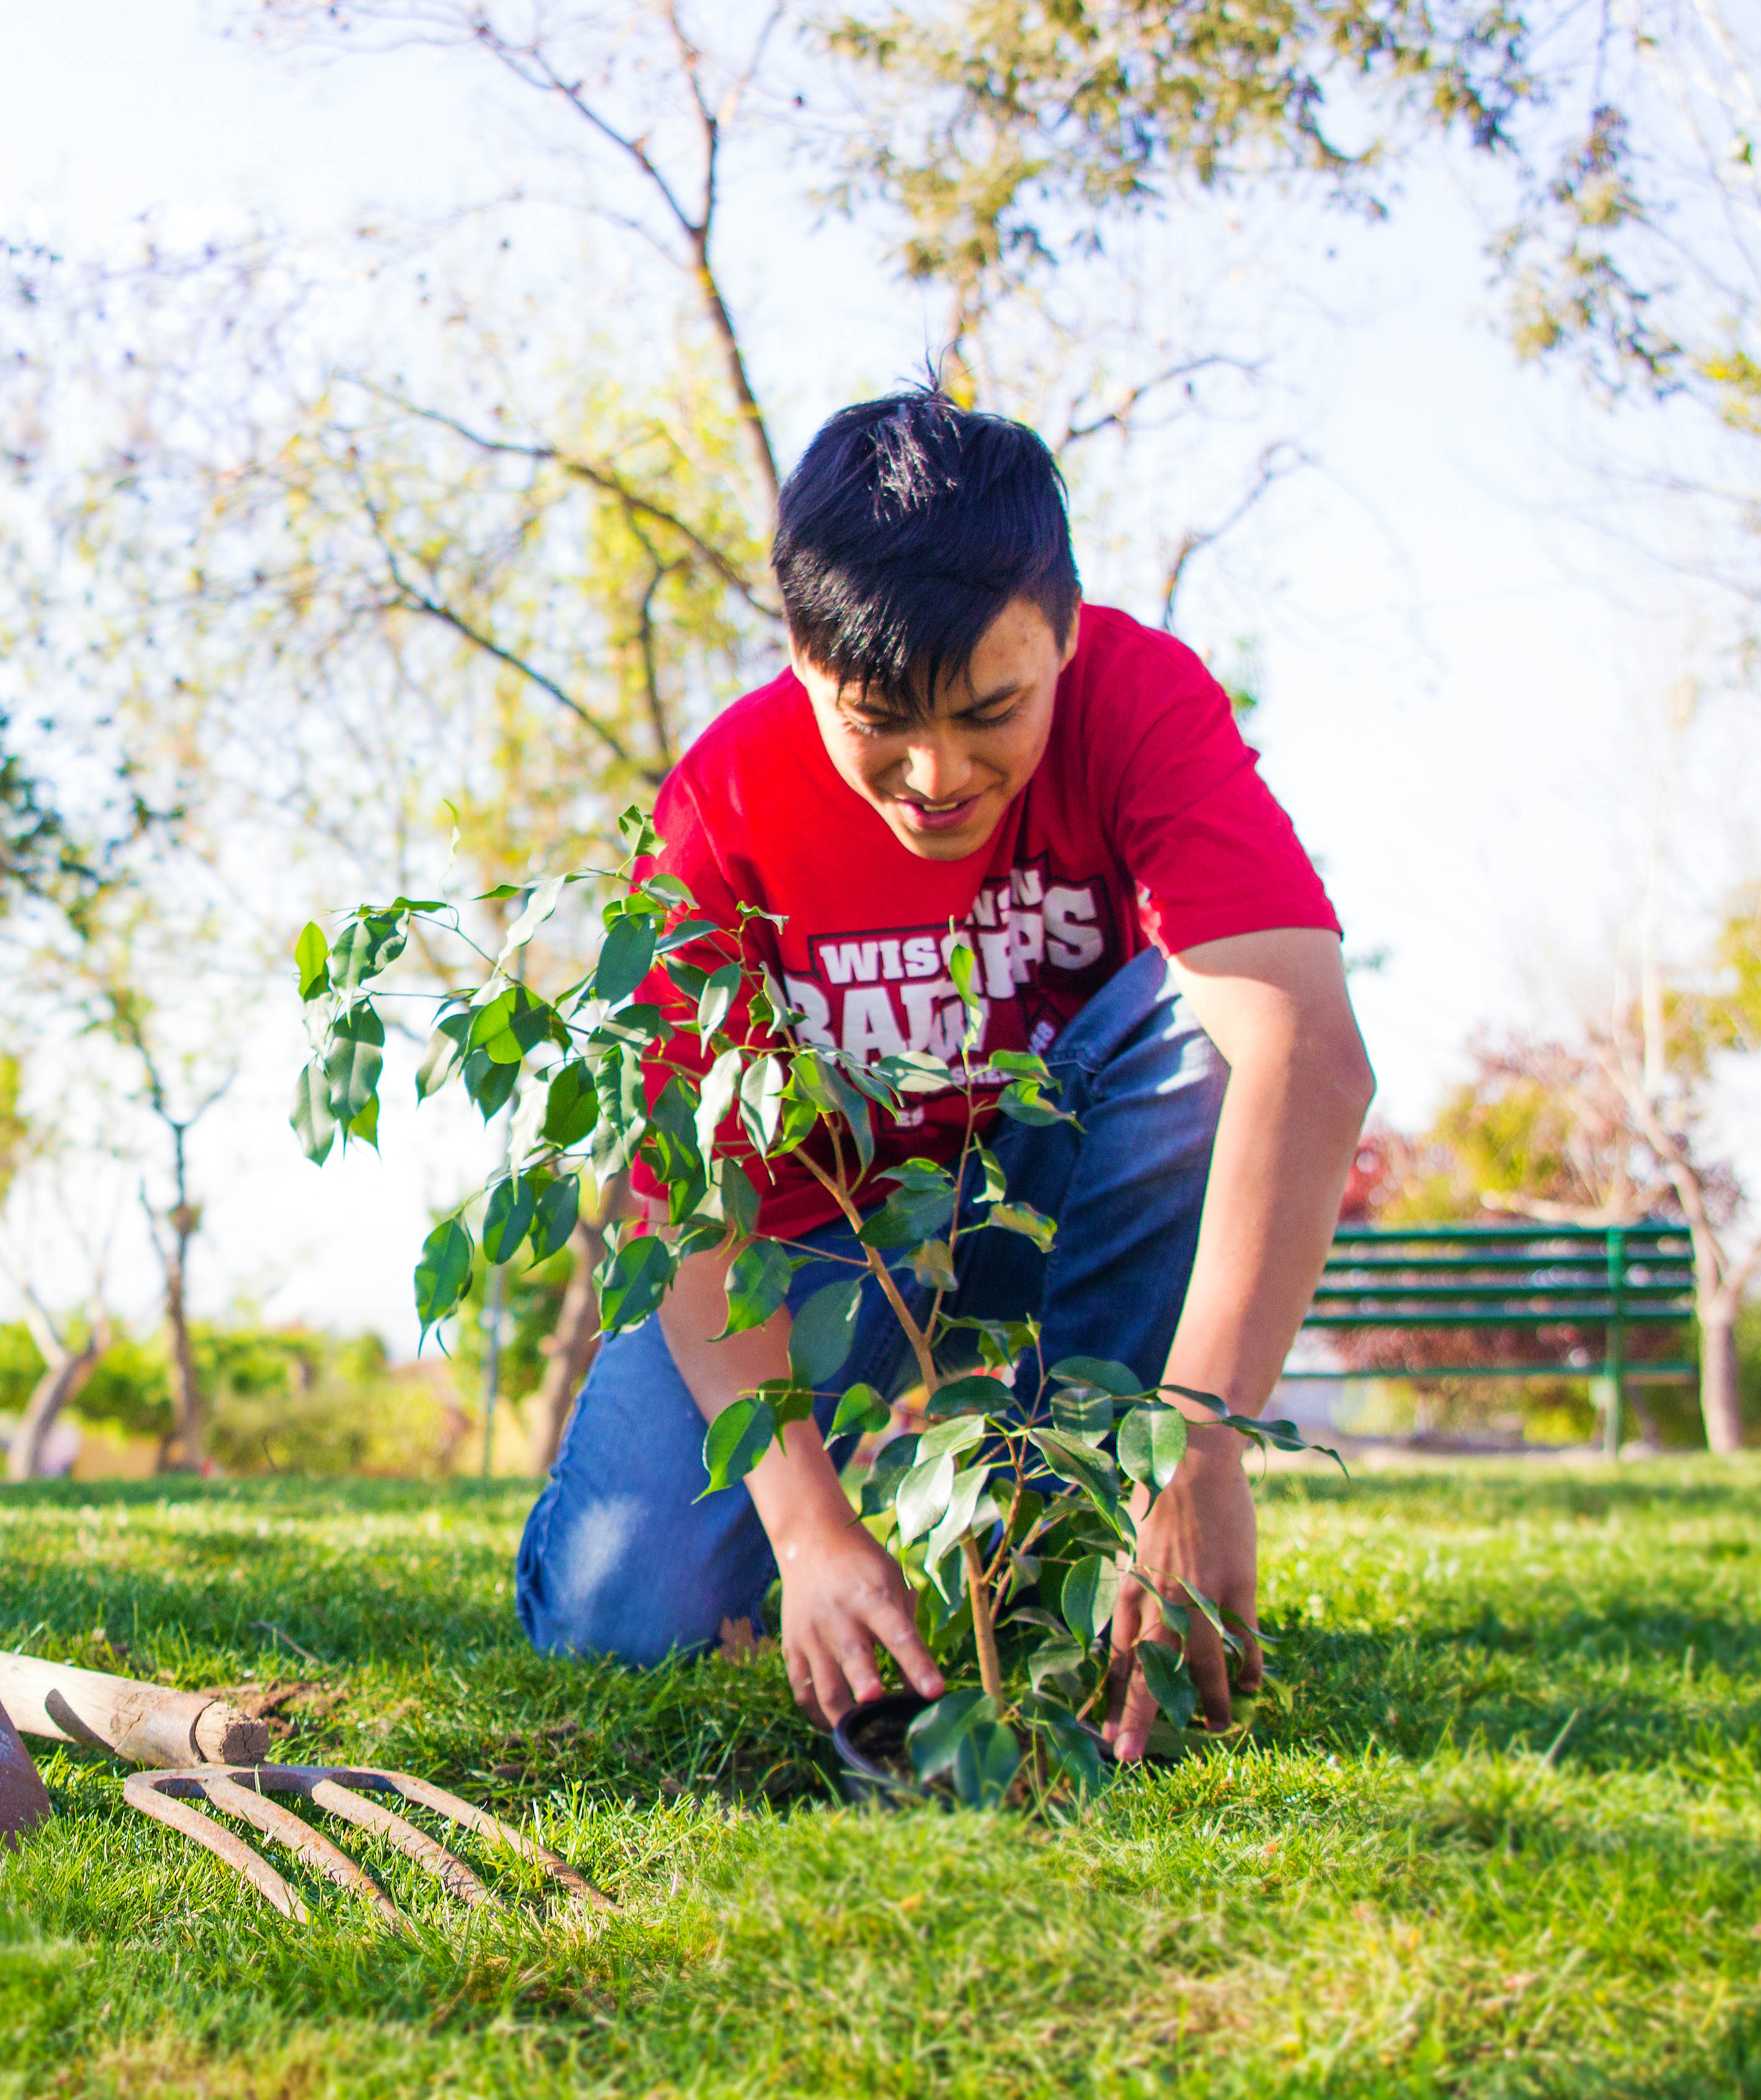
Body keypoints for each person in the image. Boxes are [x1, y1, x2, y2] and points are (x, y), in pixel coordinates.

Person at [512, 389, 1375, 1763]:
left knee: (1216, 1021)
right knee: (626, 1617)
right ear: (801, 657)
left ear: (1069, 632)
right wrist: (803, 1522)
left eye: (992, 714)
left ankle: (1064, 1517)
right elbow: (682, 1201)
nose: (938, 776)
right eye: (881, 725)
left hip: (1051, 1197)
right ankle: (852, 1517)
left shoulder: (1141, 703)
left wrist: (1200, 1439)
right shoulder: (723, 806)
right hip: (810, 1248)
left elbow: (1311, 1052)